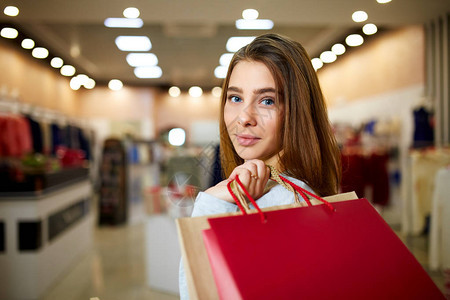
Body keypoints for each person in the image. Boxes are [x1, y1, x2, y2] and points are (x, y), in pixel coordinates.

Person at [179, 33, 341, 299]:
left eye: (267, 100)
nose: (244, 117)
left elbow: (198, 294)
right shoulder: (266, 191)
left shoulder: (285, 202)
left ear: (297, 111)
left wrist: (210, 203)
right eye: (235, 98)